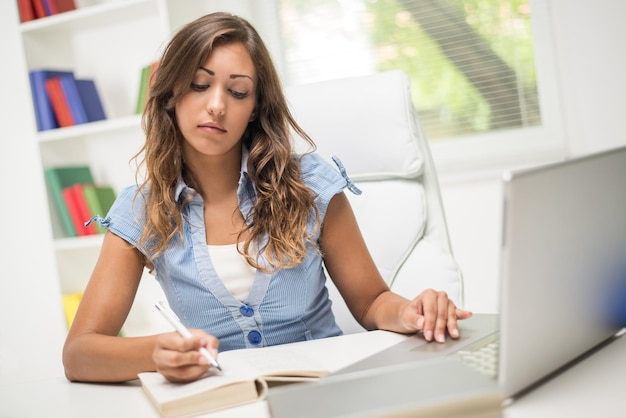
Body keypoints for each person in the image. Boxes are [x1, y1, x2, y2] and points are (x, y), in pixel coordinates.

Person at [62, 12, 472, 384]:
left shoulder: (307, 185)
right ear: (171, 93)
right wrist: (153, 352)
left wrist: (408, 312)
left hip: (326, 392)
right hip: (222, 404)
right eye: (199, 85)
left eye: (238, 92)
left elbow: (372, 302)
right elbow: (79, 353)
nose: (217, 105)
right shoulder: (142, 210)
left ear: (256, 106)